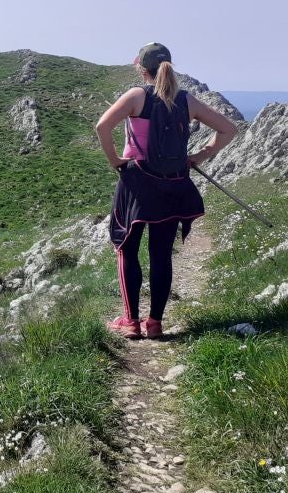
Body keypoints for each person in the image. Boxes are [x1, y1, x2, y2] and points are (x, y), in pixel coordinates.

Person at [94, 42, 237, 339]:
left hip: (137, 183)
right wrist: (197, 157)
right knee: (161, 254)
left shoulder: (136, 97)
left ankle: (130, 321)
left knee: (127, 249)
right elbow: (228, 130)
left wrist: (116, 162)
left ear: (142, 69)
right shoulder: (187, 102)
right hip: (173, 184)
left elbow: (102, 127)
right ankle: (155, 323)